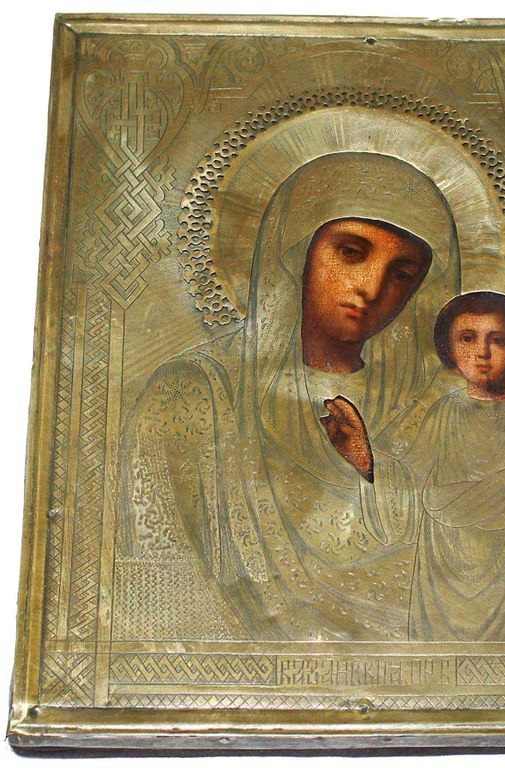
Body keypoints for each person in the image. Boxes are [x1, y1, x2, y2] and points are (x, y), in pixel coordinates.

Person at [116, 152, 461, 641]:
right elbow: (162, 572)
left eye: (402, 273)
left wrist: (370, 471)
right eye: (351, 252)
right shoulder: (193, 391)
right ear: (298, 252)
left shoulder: (432, 409)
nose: (371, 287)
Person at [328, 291, 505, 642]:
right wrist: (362, 456)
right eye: (467, 339)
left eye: (497, 340)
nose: (482, 353)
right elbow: (410, 494)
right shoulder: (444, 413)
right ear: (449, 351)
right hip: (443, 580)